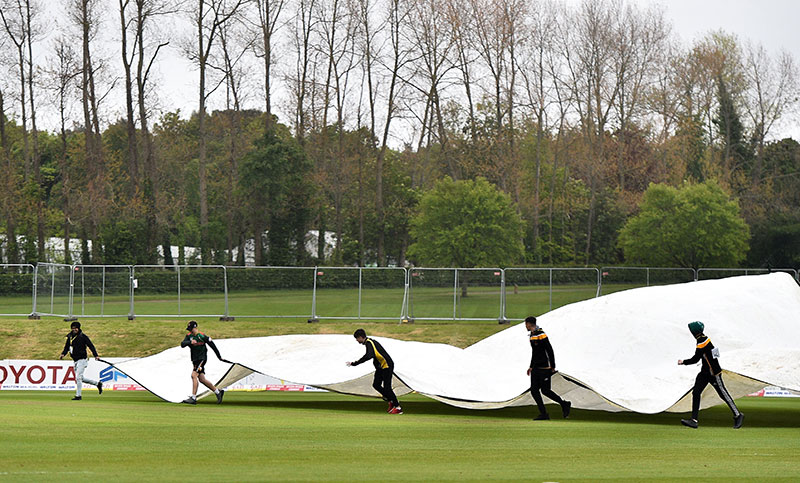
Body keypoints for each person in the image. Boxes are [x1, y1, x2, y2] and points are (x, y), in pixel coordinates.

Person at [678, 321, 744, 429]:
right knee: (696, 392)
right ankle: (694, 420)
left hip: (713, 373)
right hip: (705, 372)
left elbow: (695, 359)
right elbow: (715, 353)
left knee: (723, 394)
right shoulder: (706, 339)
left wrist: (683, 362)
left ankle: (738, 415)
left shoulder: (701, 342)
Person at [525, 316, 571, 420]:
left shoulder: (541, 334)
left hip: (545, 367)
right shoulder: (532, 335)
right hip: (536, 368)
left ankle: (564, 404)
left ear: (529, 324)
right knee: (534, 391)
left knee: (545, 390)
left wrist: (553, 366)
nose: (525, 327)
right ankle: (544, 414)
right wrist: (531, 366)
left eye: (526, 324)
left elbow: (549, 350)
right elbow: (535, 352)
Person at [346, 329, 402, 414]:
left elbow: (369, 355)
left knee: (387, 388)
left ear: (361, 337)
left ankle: (398, 407)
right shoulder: (369, 343)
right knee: (376, 385)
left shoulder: (369, 343)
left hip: (387, 366)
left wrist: (355, 363)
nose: (356, 340)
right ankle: (390, 400)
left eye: (357, 338)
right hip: (380, 367)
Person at [180, 320, 226, 405]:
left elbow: (213, 346)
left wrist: (219, 357)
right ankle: (218, 392)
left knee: (193, 375)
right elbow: (182, 344)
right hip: (194, 359)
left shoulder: (202, 336)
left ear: (195, 328)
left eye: (191, 329)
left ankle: (193, 398)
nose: (190, 331)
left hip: (202, 358)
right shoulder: (189, 336)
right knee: (201, 379)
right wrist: (190, 342)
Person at [59, 321, 103, 400]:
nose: (74, 329)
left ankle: (78, 395)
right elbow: (66, 347)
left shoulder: (83, 337)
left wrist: (96, 355)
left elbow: (91, 346)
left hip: (82, 359)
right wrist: (63, 354)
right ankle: (97, 384)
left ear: (78, 328)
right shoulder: (69, 337)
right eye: (73, 328)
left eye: (75, 328)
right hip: (75, 360)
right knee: (80, 378)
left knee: (78, 378)